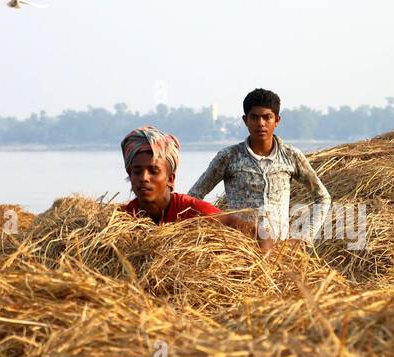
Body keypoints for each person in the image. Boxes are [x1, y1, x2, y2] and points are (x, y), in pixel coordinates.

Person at [187, 88, 332, 246]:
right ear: (245, 120)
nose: (260, 123)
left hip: (280, 252)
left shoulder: (291, 156)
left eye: (267, 117)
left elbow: (323, 198)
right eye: (254, 117)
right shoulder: (228, 157)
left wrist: (304, 238)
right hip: (240, 251)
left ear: (277, 120)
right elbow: (193, 198)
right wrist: (214, 232)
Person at [120, 126, 273, 250]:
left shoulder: (192, 211)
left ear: (171, 180)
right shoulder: (123, 219)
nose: (144, 178)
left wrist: (261, 273)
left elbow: (261, 234)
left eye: (154, 171)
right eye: (137, 171)